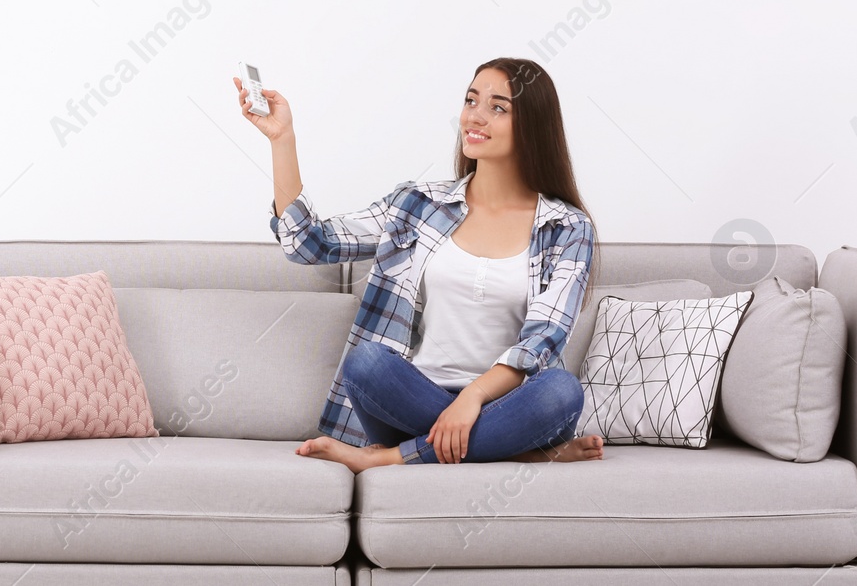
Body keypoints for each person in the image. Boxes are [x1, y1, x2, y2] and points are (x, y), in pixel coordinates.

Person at [235, 57, 606, 472]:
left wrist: (472, 398)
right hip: (412, 400)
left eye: (498, 107)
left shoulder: (567, 227)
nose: (474, 116)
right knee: (366, 362)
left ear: (533, 127)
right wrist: (282, 140)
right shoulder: (419, 204)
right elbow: (309, 244)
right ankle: (516, 450)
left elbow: (544, 339)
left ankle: (391, 458)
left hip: (508, 404)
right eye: (471, 100)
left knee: (560, 391)